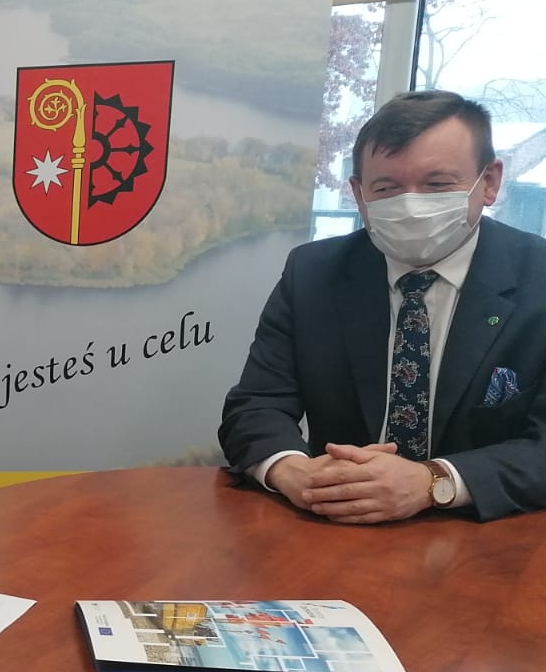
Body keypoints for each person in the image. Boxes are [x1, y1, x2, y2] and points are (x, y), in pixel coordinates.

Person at [219, 89, 546, 523]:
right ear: (359, 194)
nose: (410, 205)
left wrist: (434, 482)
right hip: (336, 526)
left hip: (490, 534)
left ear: (489, 182)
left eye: (437, 185)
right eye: (387, 188)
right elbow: (255, 405)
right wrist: (293, 471)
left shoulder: (538, 278)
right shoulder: (314, 272)